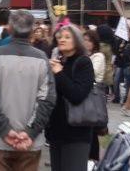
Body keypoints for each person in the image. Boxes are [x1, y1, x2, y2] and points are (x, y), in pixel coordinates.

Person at [0, 9, 56, 171]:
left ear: (9, 28)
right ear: (32, 30)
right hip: (29, 143)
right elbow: (47, 100)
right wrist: (30, 132)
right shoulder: (42, 59)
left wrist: (5, 130)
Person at [46, 24, 94, 171]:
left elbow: (77, 95)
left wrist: (59, 73)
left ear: (77, 41)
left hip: (76, 133)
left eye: (67, 37)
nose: (62, 40)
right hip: (56, 131)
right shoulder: (59, 62)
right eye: (60, 37)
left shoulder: (83, 62)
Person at [84, 30, 105, 163]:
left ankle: (95, 160)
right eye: (84, 40)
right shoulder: (85, 55)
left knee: (96, 129)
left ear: (94, 42)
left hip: (94, 97)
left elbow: (92, 72)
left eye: (89, 40)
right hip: (87, 97)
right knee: (90, 129)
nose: (86, 43)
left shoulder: (98, 56)